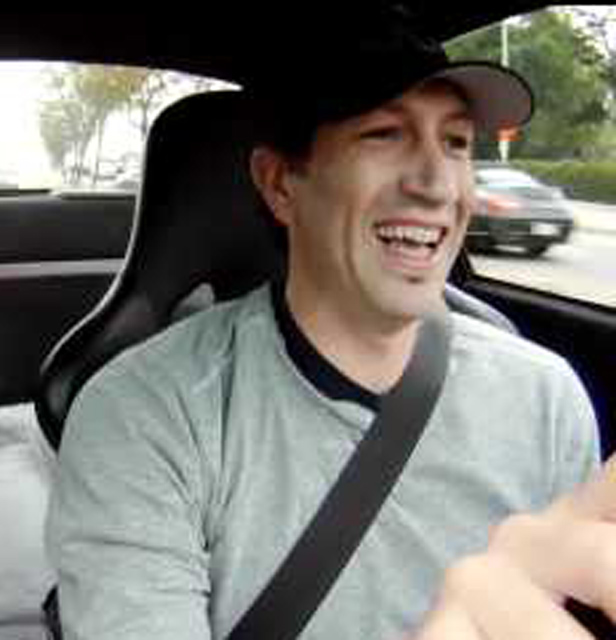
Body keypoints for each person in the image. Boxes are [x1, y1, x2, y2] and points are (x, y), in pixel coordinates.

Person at [44, 24, 604, 640]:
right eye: (384, 134)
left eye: (456, 143)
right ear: (281, 184)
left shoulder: (547, 400)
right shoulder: (144, 417)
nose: (437, 184)